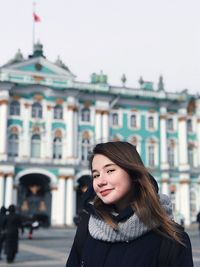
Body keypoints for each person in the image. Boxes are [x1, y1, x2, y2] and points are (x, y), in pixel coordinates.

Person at [66, 141, 193, 267]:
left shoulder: (172, 240)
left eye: (110, 171)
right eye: (96, 175)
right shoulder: (87, 227)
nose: (100, 181)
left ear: (132, 173)